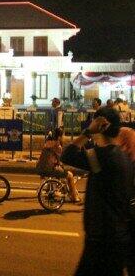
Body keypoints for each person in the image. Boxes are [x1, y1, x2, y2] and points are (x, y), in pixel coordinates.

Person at [60, 107, 134, 276]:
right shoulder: (124, 157)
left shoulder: (100, 156)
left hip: (101, 239)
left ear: (101, 125)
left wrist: (87, 132)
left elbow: (67, 155)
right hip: (119, 236)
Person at [35, 128, 81, 203]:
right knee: (70, 175)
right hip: (49, 168)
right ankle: (74, 197)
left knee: (60, 173)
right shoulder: (57, 146)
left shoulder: (47, 142)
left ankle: (61, 190)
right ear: (60, 137)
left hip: (40, 167)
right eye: (63, 135)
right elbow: (60, 161)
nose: (64, 137)